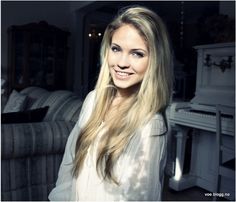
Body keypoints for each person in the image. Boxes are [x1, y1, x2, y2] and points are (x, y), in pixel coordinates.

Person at [49, 5, 173, 201]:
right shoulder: (93, 99)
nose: (121, 62)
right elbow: (70, 164)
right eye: (116, 49)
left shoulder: (150, 124)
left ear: (155, 61)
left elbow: (141, 197)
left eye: (137, 53)